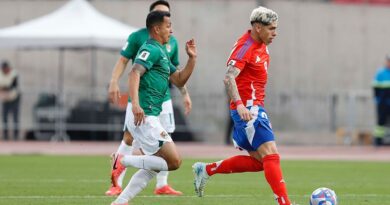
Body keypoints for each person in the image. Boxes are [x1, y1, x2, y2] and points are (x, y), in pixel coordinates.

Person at [192, 6, 292, 205]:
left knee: (259, 161)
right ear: (257, 27)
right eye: (271, 28)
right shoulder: (245, 47)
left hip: (254, 107)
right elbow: (229, 78)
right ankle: (285, 203)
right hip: (248, 109)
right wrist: (239, 105)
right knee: (271, 154)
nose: (275, 33)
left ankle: (207, 169)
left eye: (276, 28)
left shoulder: (262, 44)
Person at [110, 10, 196, 205]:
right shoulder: (151, 48)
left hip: (151, 116)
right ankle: (122, 160)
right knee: (174, 162)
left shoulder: (162, 52)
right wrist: (136, 105)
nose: (171, 30)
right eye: (168, 26)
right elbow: (134, 73)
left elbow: (180, 79)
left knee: (154, 166)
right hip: (145, 115)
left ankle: (120, 201)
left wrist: (192, 59)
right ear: (157, 28)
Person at [0, 61, 21, 141]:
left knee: (15, 117)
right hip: (5, 99)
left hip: (14, 98)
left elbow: (13, 86)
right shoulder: (1, 74)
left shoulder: (14, 73)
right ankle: (5, 136)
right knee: (4, 117)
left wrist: (3, 88)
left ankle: (16, 136)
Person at [372, 54, 390, 146]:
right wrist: (378, 100)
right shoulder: (380, 73)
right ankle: (378, 141)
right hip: (382, 103)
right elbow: (375, 88)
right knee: (381, 122)